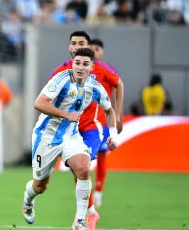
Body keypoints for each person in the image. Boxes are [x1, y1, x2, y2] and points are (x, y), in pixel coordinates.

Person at [22, 48, 118, 230]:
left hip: (70, 136)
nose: (80, 67)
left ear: (92, 66)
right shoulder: (62, 79)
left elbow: (109, 110)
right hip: (46, 136)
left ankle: (81, 221)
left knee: (83, 168)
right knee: (40, 186)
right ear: (72, 63)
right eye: (77, 63)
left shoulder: (95, 87)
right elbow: (39, 103)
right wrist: (66, 114)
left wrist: (112, 135)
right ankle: (28, 201)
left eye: (85, 64)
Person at [49, 32, 124, 230]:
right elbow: (48, 98)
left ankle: (85, 214)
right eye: (73, 43)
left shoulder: (100, 70)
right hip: (68, 129)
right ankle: (89, 211)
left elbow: (118, 84)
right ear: (69, 47)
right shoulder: (61, 71)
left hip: (94, 126)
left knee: (86, 165)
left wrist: (117, 115)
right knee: (78, 170)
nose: (76, 47)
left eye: (81, 44)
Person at [88, 38, 119, 209]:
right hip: (85, 122)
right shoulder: (80, 68)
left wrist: (117, 115)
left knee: (101, 157)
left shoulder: (108, 71)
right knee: (83, 161)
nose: (94, 51)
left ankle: (98, 192)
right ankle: (88, 198)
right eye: (90, 48)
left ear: (102, 52)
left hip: (102, 122)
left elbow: (117, 87)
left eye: (97, 48)